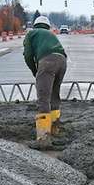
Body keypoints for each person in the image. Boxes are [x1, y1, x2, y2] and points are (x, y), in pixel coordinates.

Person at [23, 15, 67, 150]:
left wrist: (35, 71)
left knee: (43, 98)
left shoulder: (31, 34)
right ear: (47, 26)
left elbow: (28, 55)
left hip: (47, 62)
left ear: (35, 25)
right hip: (63, 61)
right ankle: (55, 130)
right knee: (54, 95)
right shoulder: (50, 34)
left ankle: (43, 138)